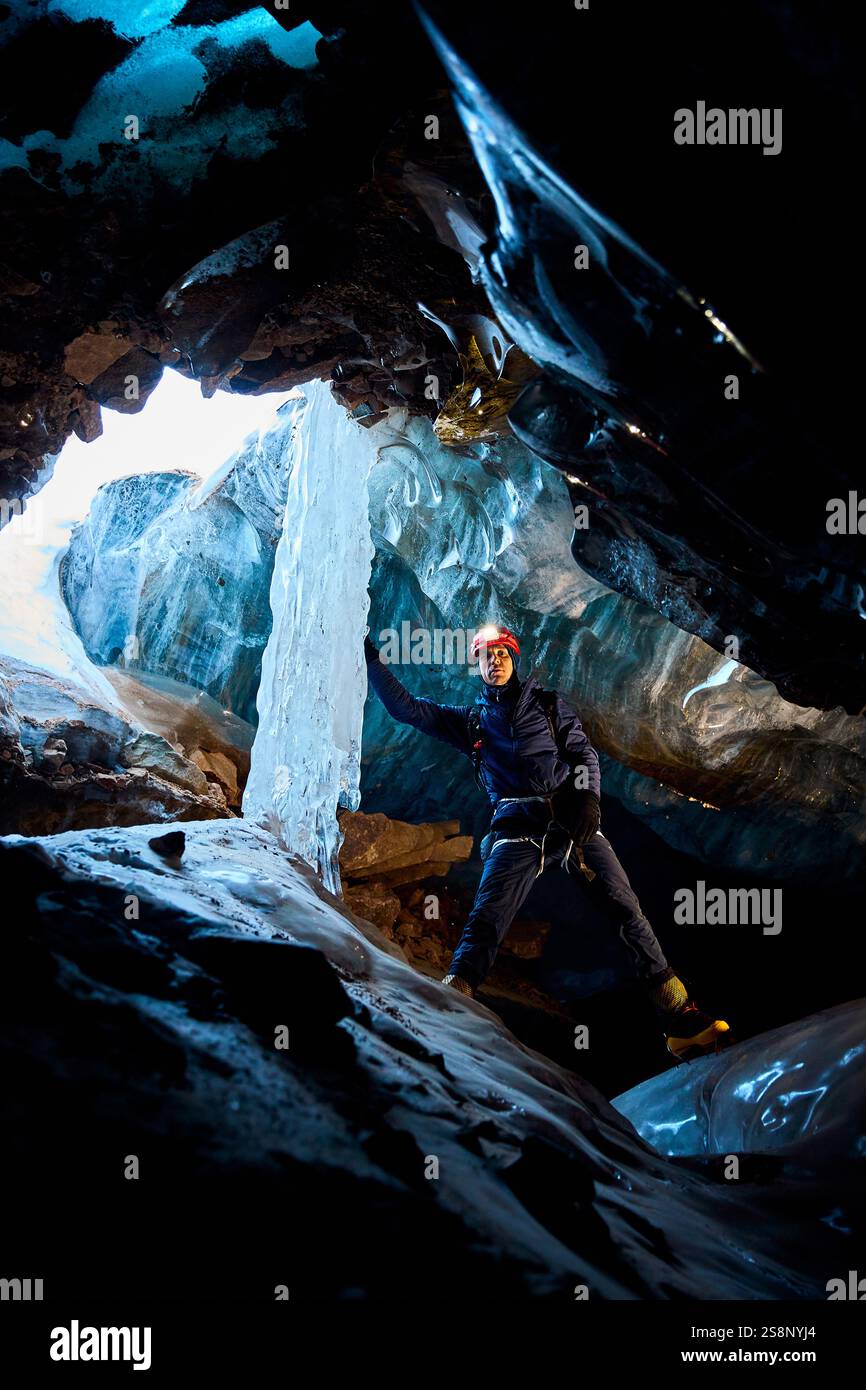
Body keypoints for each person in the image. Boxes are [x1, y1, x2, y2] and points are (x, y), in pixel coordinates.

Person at [364, 622, 732, 1061]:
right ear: (478, 665)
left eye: (502, 654)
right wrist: (371, 659)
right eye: (487, 656)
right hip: (516, 826)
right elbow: (407, 709)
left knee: (624, 908)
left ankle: (681, 1019)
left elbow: (582, 755)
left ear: (513, 659)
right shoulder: (472, 722)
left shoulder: (550, 705)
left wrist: (588, 801)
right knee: (488, 917)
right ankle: (454, 999)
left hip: (570, 819)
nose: (495, 661)